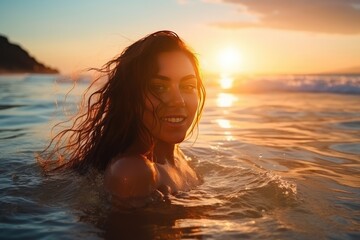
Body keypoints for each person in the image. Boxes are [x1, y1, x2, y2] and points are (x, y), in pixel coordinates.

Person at [39, 30, 206, 204]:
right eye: (159, 87)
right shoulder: (132, 172)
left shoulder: (176, 155)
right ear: (131, 97)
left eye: (188, 86)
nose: (178, 101)